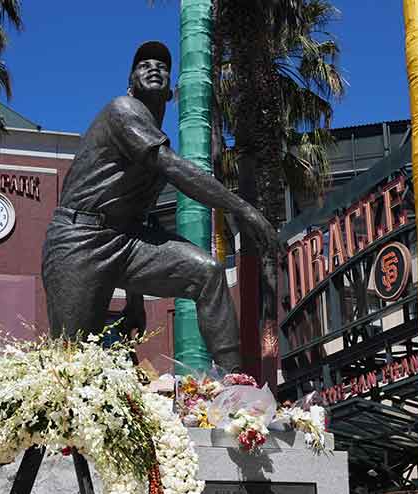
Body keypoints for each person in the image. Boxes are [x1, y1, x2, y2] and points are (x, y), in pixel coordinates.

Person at [41, 41, 279, 372]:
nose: (154, 68)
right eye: (144, 65)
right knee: (70, 364)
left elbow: (137, 217)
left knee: (207, 272)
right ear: (130, 82)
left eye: (163, 66)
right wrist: (245, 209)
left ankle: (235, 387)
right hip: (80, 240)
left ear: (170, 90)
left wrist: (134, 299)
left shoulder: (152, 132)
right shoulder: (123, 110)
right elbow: (175, 168)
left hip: (124, 241)